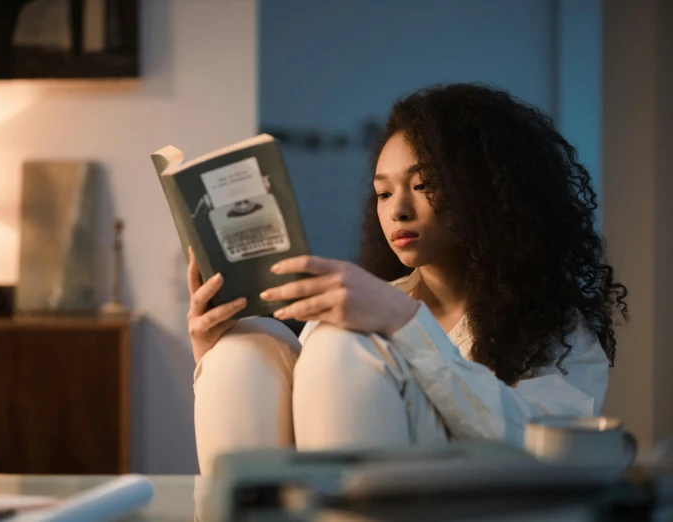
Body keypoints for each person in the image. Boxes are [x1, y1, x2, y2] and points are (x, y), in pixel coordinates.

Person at [185, 83, 629, 475]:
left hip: (463, 506)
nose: (397, 209)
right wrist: (210, 352)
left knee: (342, 343)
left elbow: (543, 454)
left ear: (489, 191)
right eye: (383, 192)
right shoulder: (368, 307)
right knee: (247, 343)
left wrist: (407, 323)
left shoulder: (556, 329)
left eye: (424, 184)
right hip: (318, 492)